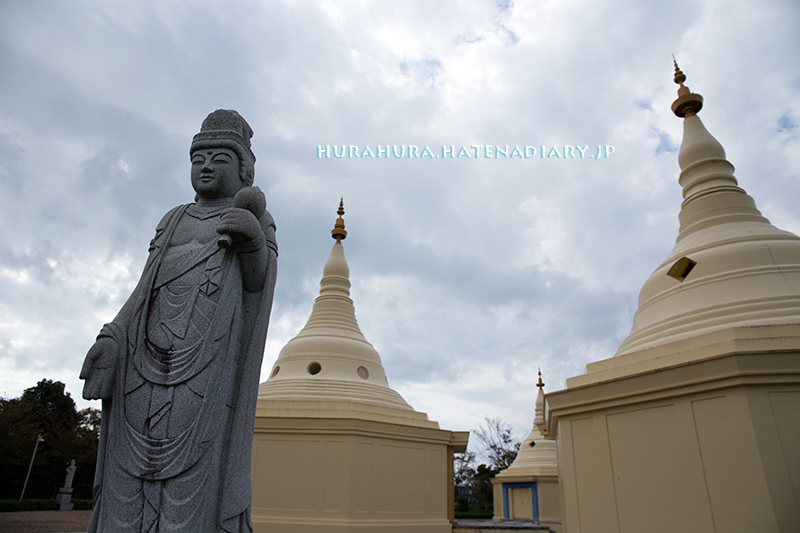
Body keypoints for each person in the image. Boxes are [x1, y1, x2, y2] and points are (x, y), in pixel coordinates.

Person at [80, 110, 277, 533]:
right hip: (141, 357)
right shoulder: (174, 219)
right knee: (128, 473)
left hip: (206, 363)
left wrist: (253, 240)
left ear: (243, 169)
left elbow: (257, 285)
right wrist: (112, 336)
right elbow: (144, 285)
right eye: (198, 158)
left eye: (218, 158)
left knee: (193, 465)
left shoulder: (255, 215)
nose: (205, 166)